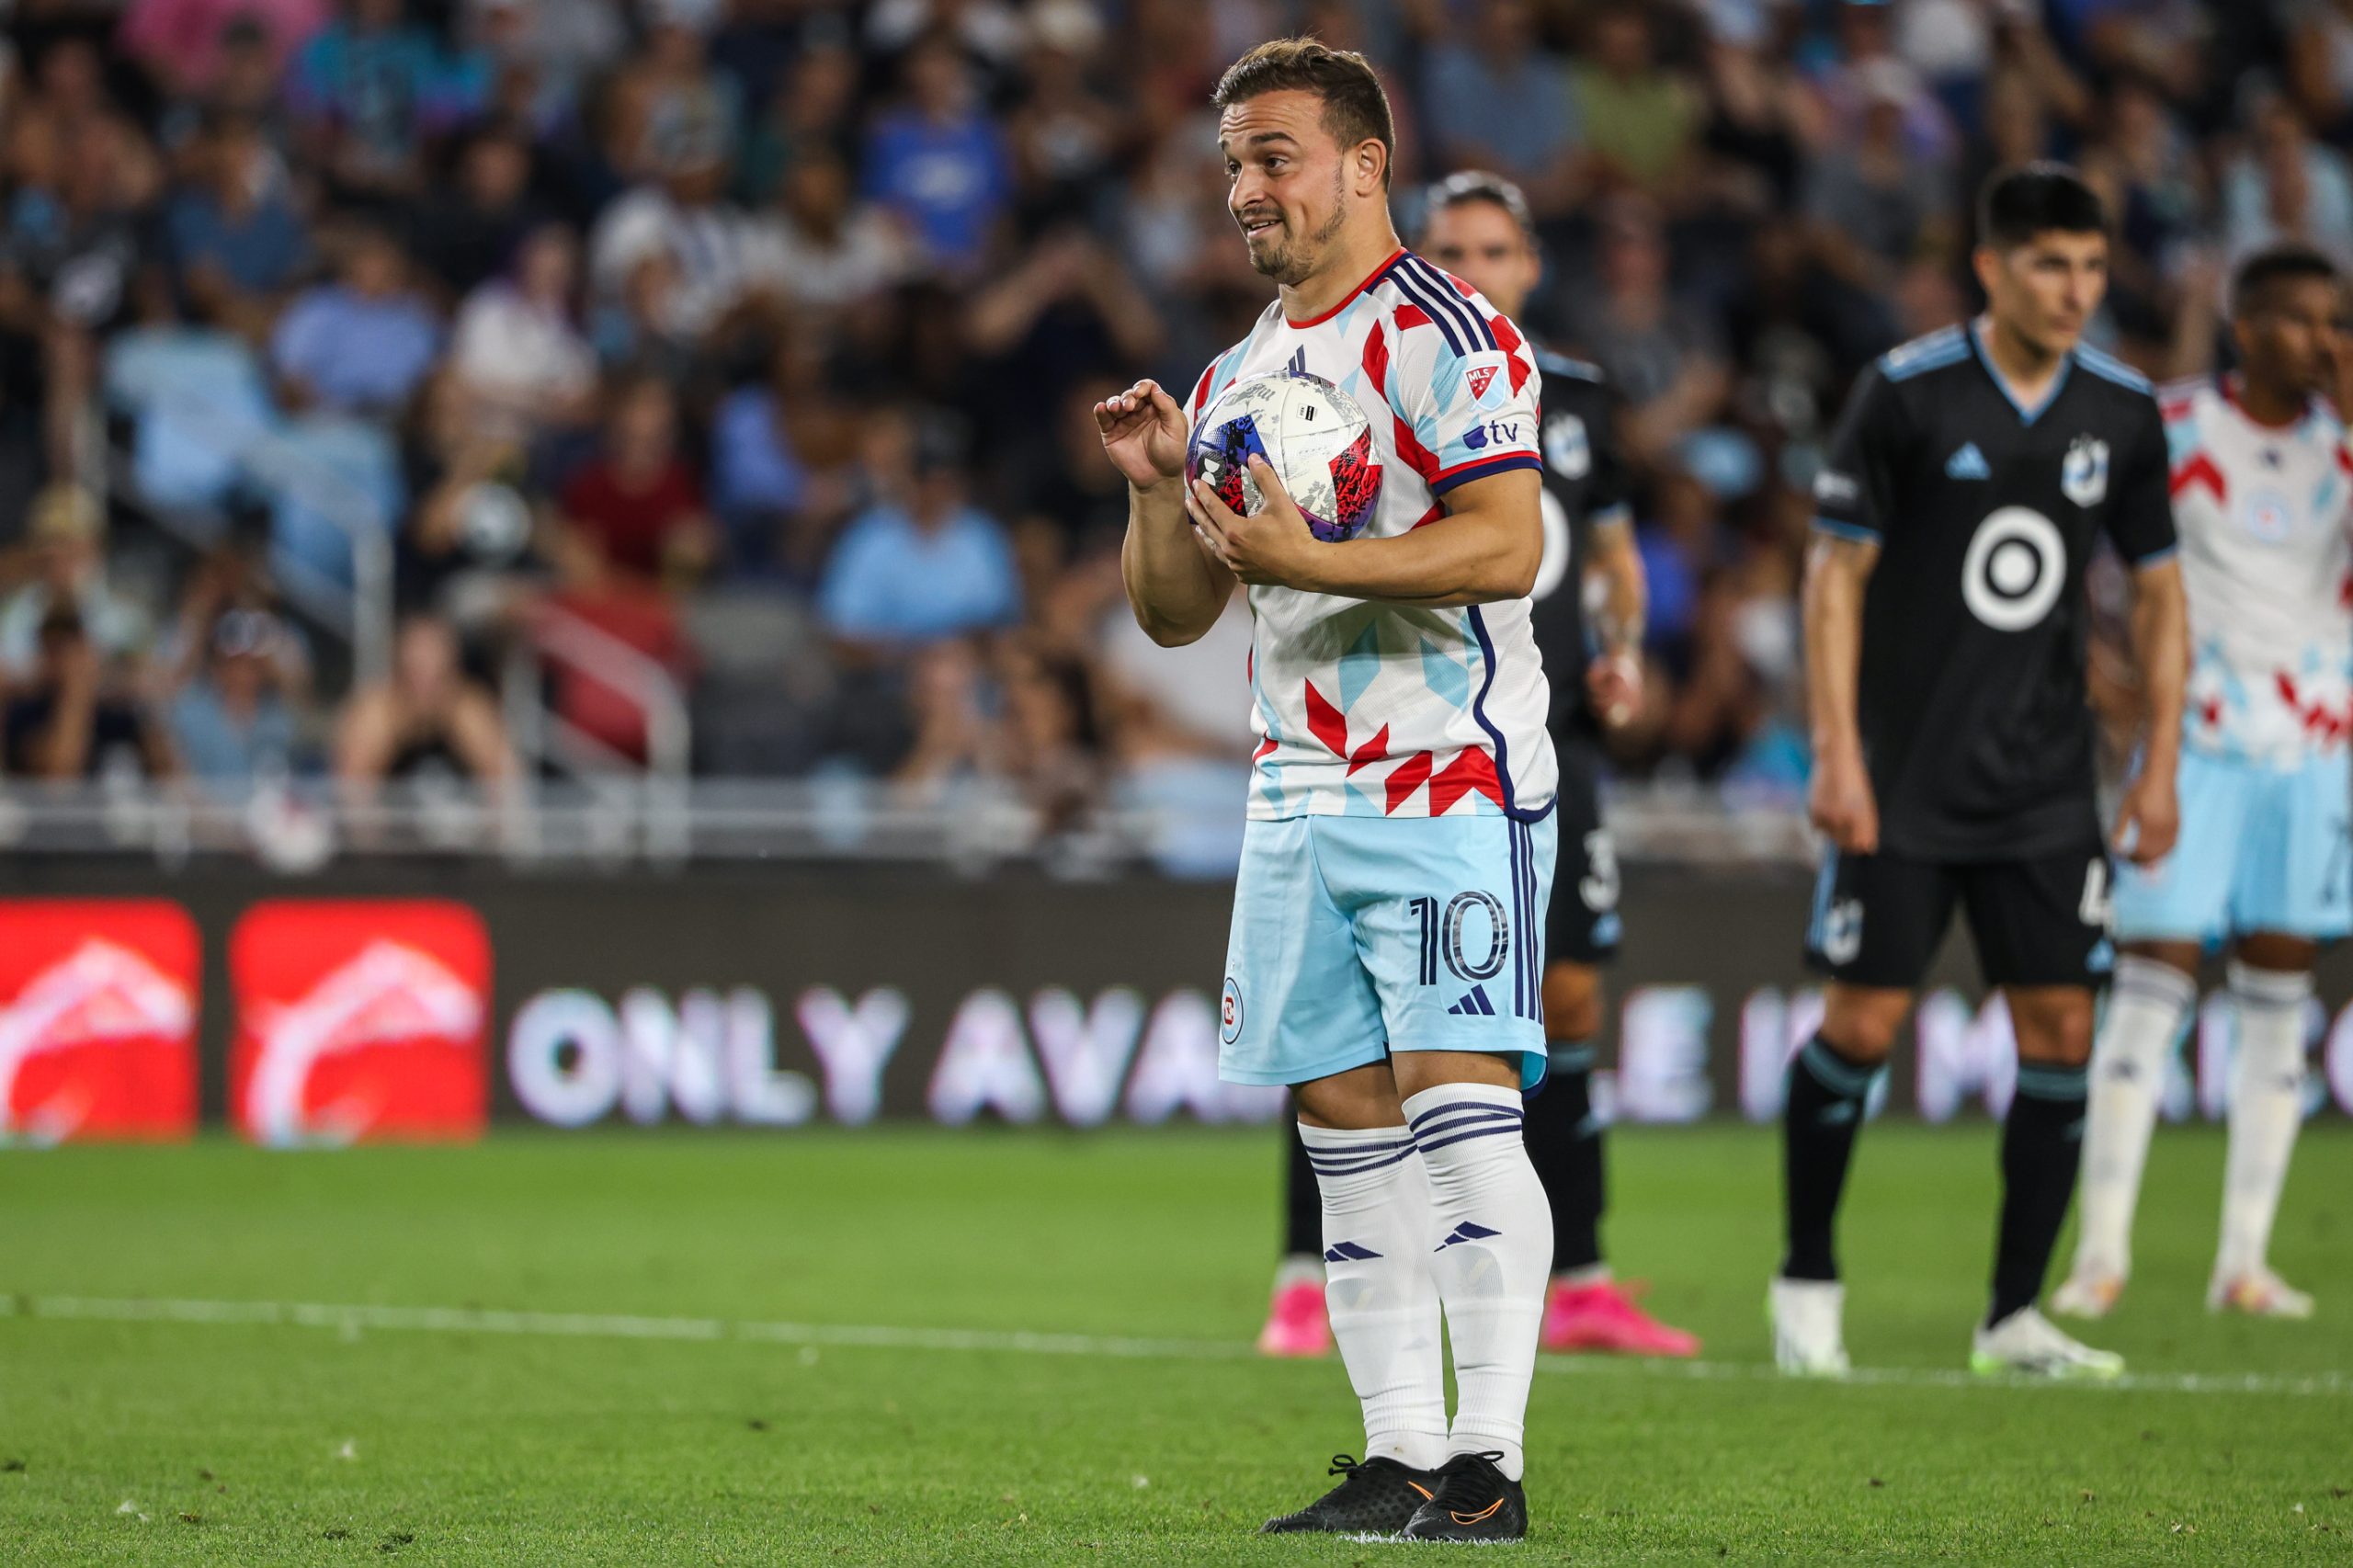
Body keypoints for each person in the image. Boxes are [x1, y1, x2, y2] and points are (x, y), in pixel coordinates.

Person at [1097, 40, 1555, 1543]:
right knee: (1342, 1122)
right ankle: (1399, 1456)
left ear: (1366, 162)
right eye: (1234, 161)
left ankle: (1489, 1466)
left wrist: (1314, 560)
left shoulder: (1448, 334)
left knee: (1460, 1108)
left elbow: (1505, 548)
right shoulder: (1237, 372)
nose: (1244, 190)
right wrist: (1161, 490)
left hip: (1442, 777)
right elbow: (1174, 616)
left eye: (1274, 155)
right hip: (1294, 783)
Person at [1253, 169, 1698, 1363]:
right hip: (1392, 740)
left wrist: (1620, 648)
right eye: (1451, 246)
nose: (1472, 268)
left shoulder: (1579, 399)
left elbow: (1607, 554)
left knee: (1565, 1001)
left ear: (1530, 265)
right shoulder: (1378, 370)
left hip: (1539, 739)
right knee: (1347, 1040)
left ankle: (1582, 1280)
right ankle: (1308, 1274)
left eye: (1495, 250)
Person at [1785, 164, 2188, 1381]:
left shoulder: (2121, 411)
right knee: (1858, 1024)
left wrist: (2159, 760)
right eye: (2050, 266)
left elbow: (2162, 593)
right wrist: (1838, 749)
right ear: (1991, 268)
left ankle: (2014, 1313)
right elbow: (1834, 576)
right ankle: (1806, 1281)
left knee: (2063, 1026)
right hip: (1901, 776)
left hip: (2046, 785)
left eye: (2091, 269)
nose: (2075, 291)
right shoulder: (1908, 395)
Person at [2055, 244, 2351, 1324]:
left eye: (2336, 322)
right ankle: (2099, 1258)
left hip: (2316, 752)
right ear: (2246, 325)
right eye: (2304, 320)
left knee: (2279, 1004)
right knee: (2148, 996)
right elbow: (2070, 538)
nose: (2325, 340)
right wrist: (2092, 661)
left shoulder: (2342, 444)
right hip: (2197, 745)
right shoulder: (2172, 424)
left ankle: (2244, 1263)